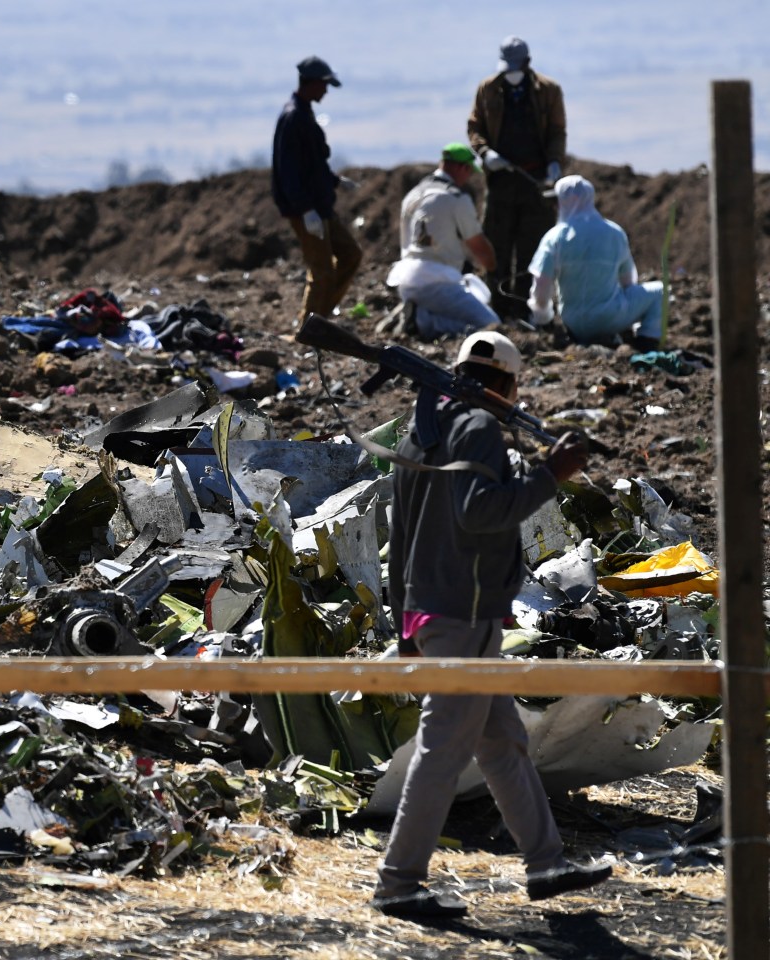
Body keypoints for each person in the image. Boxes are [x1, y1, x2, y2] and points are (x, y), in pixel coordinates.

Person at [372, 330, 611, 918]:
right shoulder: (477, 429)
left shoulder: (421, 429)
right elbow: (481, 512)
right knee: (443, 748)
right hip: (464, 615)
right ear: (506, 384)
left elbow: (399, 532)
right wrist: (550, 473)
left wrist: (406, 625)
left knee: (502, 742)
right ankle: (398, 883)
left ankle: (546, 862)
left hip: (432, 612)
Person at [467, 37, 566, 321]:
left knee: (531, 248)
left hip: (535, 183)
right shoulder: (488, 90)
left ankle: (523, 309)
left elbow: (558, 131)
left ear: (527, 64)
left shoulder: (548, 91)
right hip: (500, 183)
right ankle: (495, 310)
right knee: (496, 246)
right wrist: (485, 153)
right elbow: (475, 127)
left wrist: (555, 163)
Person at [272, 55, 362, 324]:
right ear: (310, 83)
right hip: (307, 209)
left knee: (350, 255)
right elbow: (289, 172)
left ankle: (319, 320)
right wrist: (305, 209)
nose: (325, 91)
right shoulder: (293, 117)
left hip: (320, 207)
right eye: (323, 85)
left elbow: (312, 163)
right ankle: (308, 329)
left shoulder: (305, 114)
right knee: (322, 271)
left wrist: (334, 181)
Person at [528, 175, 663, 351]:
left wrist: (543, 319)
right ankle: (646, 343)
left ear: (567, 201)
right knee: (661, 291)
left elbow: (541, 285)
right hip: (611, 320)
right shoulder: (615, 233)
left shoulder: (554, 237)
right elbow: (629, 281)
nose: (555, 207)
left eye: (557, 201)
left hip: (573, 322)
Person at [387, 143, 499, 339]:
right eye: (469, 172)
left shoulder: (413, 195)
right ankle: (421, 320)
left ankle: (413, 312)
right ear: (461, 167)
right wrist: (492, 267)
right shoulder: (455, 197)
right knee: (490, 324)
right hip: (437, 280)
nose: (468, 178)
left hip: (405, 280)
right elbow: (478, 245)